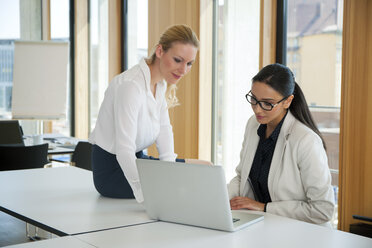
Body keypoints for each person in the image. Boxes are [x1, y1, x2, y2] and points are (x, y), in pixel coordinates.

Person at [89, 24, 201, 203]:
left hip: (137, 161)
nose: (183, 70)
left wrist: (169, 172)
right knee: (192, 177)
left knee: (203, 169)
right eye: (178, 60)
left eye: (189, 64)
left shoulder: (160, 84)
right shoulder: (131, 86)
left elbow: (165, 131)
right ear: (159, 51)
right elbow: (124, 151)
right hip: (113, 171)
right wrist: (144, 193)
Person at [228, 63, 335, 225]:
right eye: (254, 100)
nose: (257, 110)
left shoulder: (306, 141)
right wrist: (219, 199)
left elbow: (323, 209)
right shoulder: (253, 124)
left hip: (299, 232)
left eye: (267, 103)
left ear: (287, 101)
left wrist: (264, 208)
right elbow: (242, 176)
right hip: (262, 225)